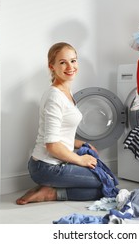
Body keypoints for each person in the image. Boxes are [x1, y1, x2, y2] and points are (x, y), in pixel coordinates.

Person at [16, 42, 104, 205]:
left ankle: (49, 188)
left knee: (104, 175)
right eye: (63, 62)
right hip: (46, 167)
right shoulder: (54, 97)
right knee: (103, 184)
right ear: (52, 67)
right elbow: (52, 145)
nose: (70, 66)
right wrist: (80, 160)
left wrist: (81, 143)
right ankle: (50, 193)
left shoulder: (66, 91)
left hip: (55, 162)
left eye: (73, 60)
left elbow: (60, 134)